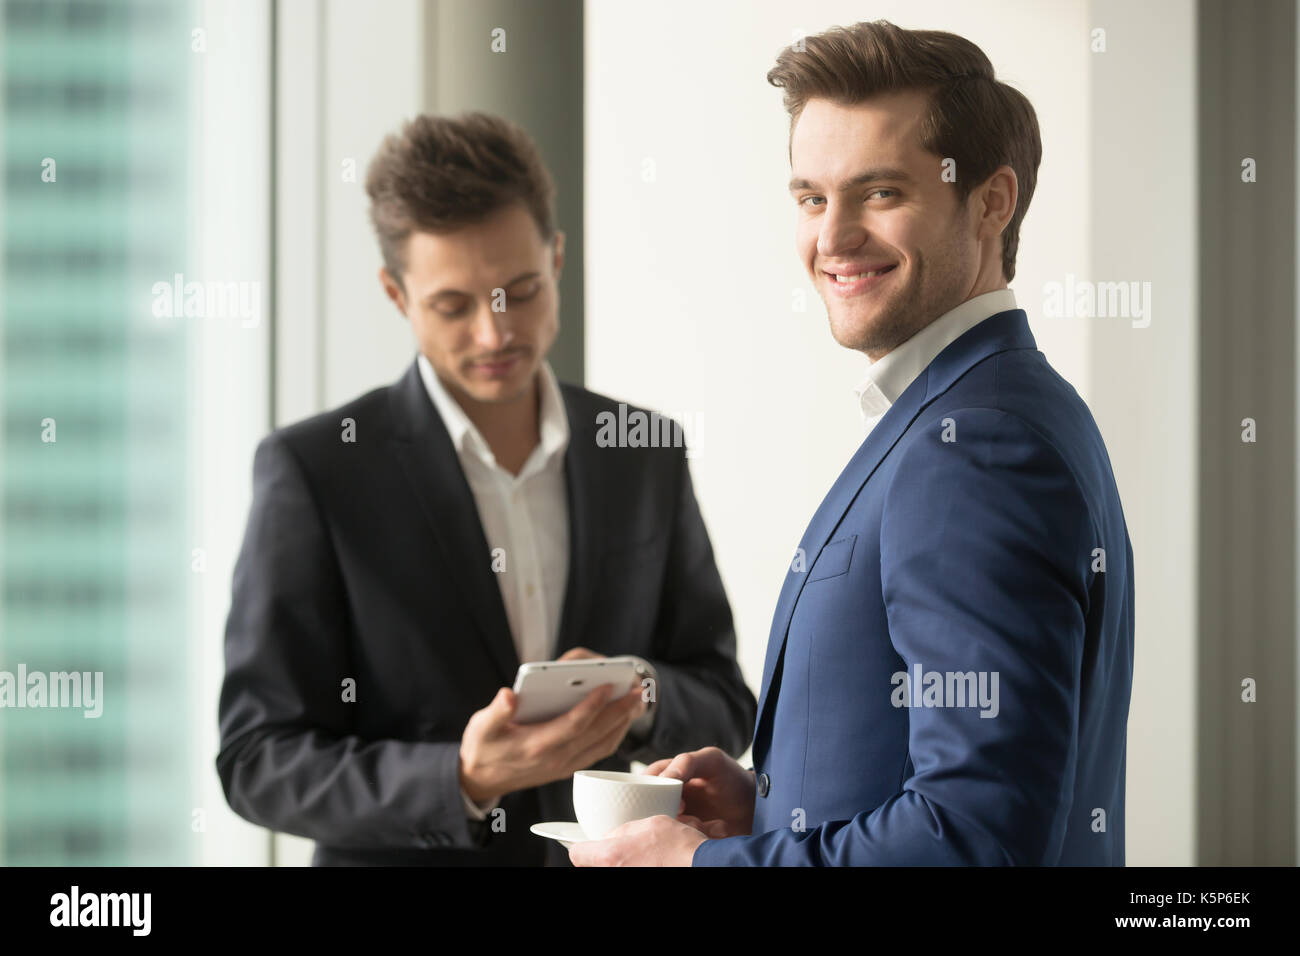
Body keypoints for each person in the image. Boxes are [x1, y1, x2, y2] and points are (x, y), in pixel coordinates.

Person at [571, 19, 1134, 867]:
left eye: (879, 193)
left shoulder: (973, 444)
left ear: (992, 200)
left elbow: (972, 839)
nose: (831, 238)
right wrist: (769, 804)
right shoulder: (993, 407)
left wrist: (691, 866)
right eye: (810, 197)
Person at [217, 112, 756, 866]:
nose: (495, 333)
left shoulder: (643, 450)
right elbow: (256, 760)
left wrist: (638, 695)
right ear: (396, 294)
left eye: (520, 290)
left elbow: (726, 702)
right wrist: (463, 777)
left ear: (558, 258)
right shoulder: (317, 471)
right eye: (453, 305)